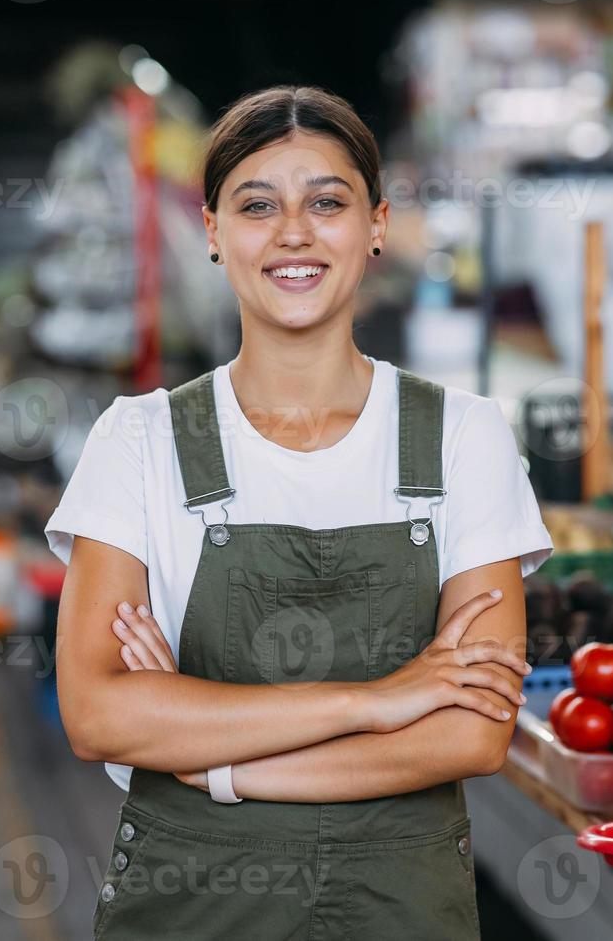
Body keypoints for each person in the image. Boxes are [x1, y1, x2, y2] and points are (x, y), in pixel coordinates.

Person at [45, 86, 554, 939]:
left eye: (327, 202)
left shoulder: (466, 439)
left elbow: (471, 733)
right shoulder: (138, 441)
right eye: (256, 205)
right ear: (211, 232)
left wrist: (215, 761)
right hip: (190, 910)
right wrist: (380, 699)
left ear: (377, 225)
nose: (293, 233)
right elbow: (99, 716)